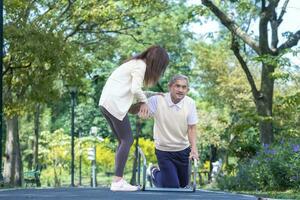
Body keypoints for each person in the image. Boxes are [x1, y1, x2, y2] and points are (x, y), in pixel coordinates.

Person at [99, 45, 169, 191]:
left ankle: (118, 180)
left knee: (122, 141)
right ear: (157, 62)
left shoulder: (134, 63)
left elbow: (133, 91)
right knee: (127, 140)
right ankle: (118, 181)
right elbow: (135, 90)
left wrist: (151, 95)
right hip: (114, 103)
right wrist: (144, 102)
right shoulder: (141, 65)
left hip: (106, 102)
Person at [145, 74, 199, 188]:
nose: (180, 90)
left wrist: (194, 148)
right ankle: (153, 172)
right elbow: (142, 112)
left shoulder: (190, 103)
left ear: (187, 90)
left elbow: (192, 128)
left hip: (183, 150)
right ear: (170, 87)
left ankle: (163, 177)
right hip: (164, 150)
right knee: (172, 186)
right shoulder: (157, 100)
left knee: (183, 184)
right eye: (177, 86)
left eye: (184, 87)